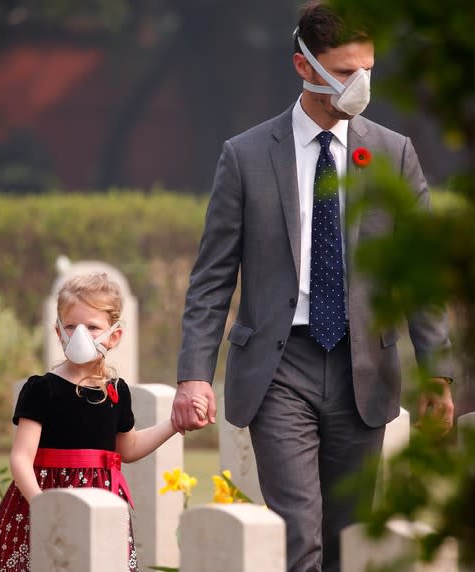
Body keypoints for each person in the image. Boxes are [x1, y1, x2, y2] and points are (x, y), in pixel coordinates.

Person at [172, 3, 455, 571]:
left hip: (364, 369)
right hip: (280, 369)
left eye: (369, 69)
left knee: (349, 536)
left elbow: (421, 276)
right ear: (304, 67)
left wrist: (438, 372)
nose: (362, 85)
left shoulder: (394, 154)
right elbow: (212, 278)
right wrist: (193, 375)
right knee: (299, 532)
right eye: (347, 72)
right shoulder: (246, 156)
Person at [0, 272, 180, 572]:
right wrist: (42, 505)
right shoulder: (42, 389)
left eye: (92, 327)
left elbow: (128, 448)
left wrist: (174, 425)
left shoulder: (116, 392)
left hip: (101, 502)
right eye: (72, 326)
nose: (80, 335)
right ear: (59, 331)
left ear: (113, 336)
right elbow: (21, 458)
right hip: (45, 499)